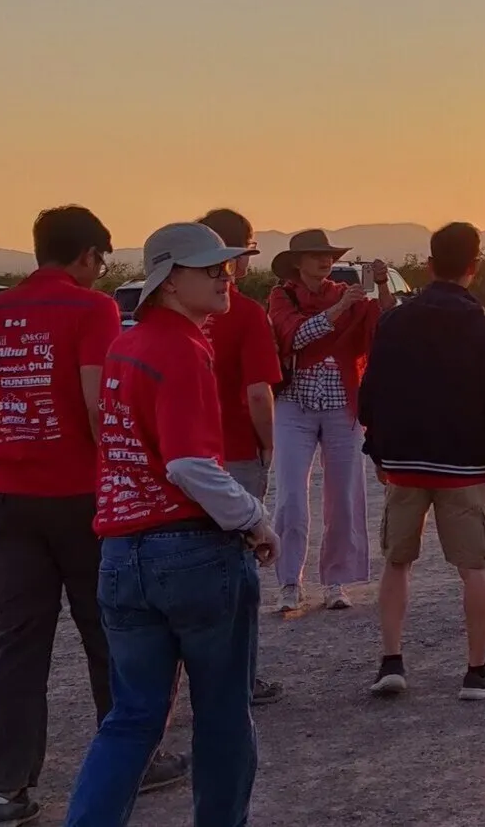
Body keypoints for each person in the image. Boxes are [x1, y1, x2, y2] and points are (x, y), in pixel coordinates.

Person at [0, 206, 187, 826]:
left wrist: (20, 406)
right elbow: (95, 406)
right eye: (102, 260)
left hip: (6, 500)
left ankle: (6, 788)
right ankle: (138, 758)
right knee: (110, 631)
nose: (102, 272)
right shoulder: (92, 310)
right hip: (81, 496)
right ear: (87, 256)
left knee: (18, 642)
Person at [63, 222, 280, 827]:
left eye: (227, 267)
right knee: (222, 715)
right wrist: (256, 518)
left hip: (120, 554)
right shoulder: (182, 349)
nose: (225, 277)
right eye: (210, 268)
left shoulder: (125, 346)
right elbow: (189, 464)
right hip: (190, 554)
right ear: (168, 280)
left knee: (132, 717)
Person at [359, 222, 485, 701]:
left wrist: (379, 452)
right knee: (474, 567)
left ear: (428, 266)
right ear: (475, 267)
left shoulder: (394, 322)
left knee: (397, 561)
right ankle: (476, 671)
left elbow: (371, 395)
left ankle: (391, 662)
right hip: (463, 467)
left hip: (404, 462)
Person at [267, 228, 390, 613]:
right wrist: (338, 311)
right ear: (297, 263)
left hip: (342, 405)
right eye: (317, 254)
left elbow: (384, 322)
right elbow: (296, 336)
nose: (325, 261)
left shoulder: (346, 295)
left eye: (329, 255)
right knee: (290, 496)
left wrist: (382, 285)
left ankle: (336, 582)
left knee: (344, 495)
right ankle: (290, 581)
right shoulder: (282, 297)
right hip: (294, 405)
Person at [196, 209, 286, 706]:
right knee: (239, 567)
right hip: (234, 455)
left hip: (183, 459)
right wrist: (269, 444)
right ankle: (239, 679)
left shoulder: (174, 313)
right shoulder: (246, 314)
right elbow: (258, 393)